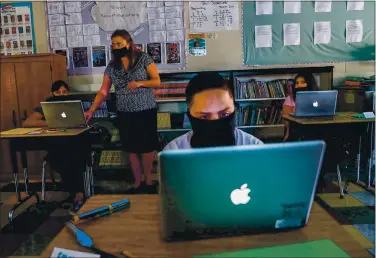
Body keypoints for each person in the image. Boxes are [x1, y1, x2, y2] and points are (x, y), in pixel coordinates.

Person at [85, 29, 161, 193]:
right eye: (113, 44)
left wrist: (140, 83)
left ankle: (148, 180)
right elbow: (103, 92)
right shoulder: (112, 66)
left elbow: (156, 81)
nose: (116, 46)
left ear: (129, 43)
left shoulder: (143, 58)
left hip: (145, 109)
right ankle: (137, 181)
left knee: (147, 147)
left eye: (119, 43)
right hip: (125, 112)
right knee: (131, 148)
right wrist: (91, 110)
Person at [23, 80, 86, 210]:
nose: (62, 94)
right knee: (63, 154)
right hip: (57, 145)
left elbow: (83, 119)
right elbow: (27, 122)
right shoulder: (46, 106)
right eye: (58, 92)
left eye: (64, 92)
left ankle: (76, 192)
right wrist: (52, 122)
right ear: (52, 93)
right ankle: (77, 193)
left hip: (74, 143)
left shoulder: (73, 104)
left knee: (75, 152)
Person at [164, 72, 263, 150]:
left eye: (224, 114)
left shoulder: (255, 148)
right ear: (189, 114)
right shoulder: (174, 152)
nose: (216, 122)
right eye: (204, 117)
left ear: (235, 109)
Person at [282, 73, 319, 141]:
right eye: (297, 83)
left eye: (302, 82)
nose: (299, 85)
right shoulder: (289, 99)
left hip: (316, 127)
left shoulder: (318, 97)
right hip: (297, 130)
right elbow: (286, 120)